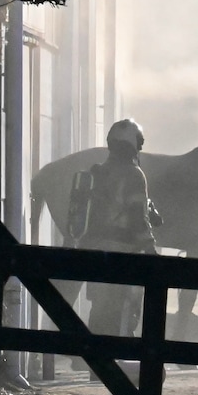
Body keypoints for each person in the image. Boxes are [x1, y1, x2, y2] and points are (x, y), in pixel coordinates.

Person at [80, 119, 160, 339]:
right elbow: (138, 220)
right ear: (132, 144)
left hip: (95, 253)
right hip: (122, 256)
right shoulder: (134, 174)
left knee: (98, 314)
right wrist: (151, 250)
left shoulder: (97, 172)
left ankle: (96, 358)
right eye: (139, 144)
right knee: (122, 318)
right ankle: (118, 357)